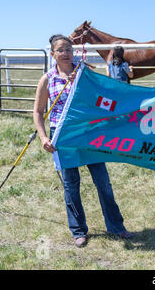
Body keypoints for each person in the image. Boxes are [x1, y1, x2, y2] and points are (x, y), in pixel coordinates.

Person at [33, 34, 133, 248]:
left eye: (69, 49)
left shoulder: (85, 73)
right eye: (61, 49)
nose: (66, 53)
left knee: (102, 182)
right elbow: (39, 111)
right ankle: (78, 230)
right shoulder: (48, 79)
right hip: (63, 137)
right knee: (71, 185)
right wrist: (43, 137)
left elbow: (100, 98)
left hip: (90, 133)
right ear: (53, 54)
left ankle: (116, 226)